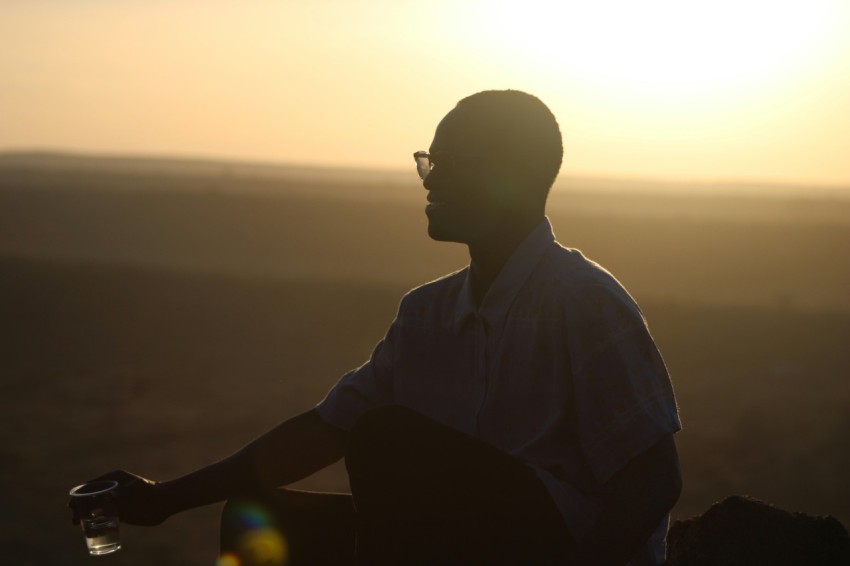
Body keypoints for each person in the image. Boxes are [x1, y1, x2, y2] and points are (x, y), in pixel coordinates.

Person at [71, 90, 682, 565]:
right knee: (256, 518)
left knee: (389, 438)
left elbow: (653, 478)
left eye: (449, 163)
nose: (430, 179)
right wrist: (166, 499)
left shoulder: (585, 303)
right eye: (428, 162)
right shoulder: (427, 313)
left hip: (558, 549)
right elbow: (324, 432)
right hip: (454, 543)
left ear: (510, 176)